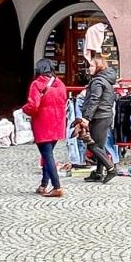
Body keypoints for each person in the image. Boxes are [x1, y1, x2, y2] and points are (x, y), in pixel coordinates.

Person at [23, 58, 69, 198]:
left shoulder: (37, 84)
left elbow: (33, 105)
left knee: (47, 156)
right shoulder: (60, 84)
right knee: (46, 154)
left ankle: (57, 186)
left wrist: (24, 109)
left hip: (43, 123)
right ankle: (43, 184)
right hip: (57, 123)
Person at [74, 50, 120, 184]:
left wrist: (86, 117)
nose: (89, 69)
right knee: (99, 145)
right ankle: (98, 173)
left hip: (99, 116)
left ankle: (110, 168)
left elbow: (95, 99)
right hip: (105, 115)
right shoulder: (106, 80)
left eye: (92, 66)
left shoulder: (98, 82)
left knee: (92, 145)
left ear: (99, 67)